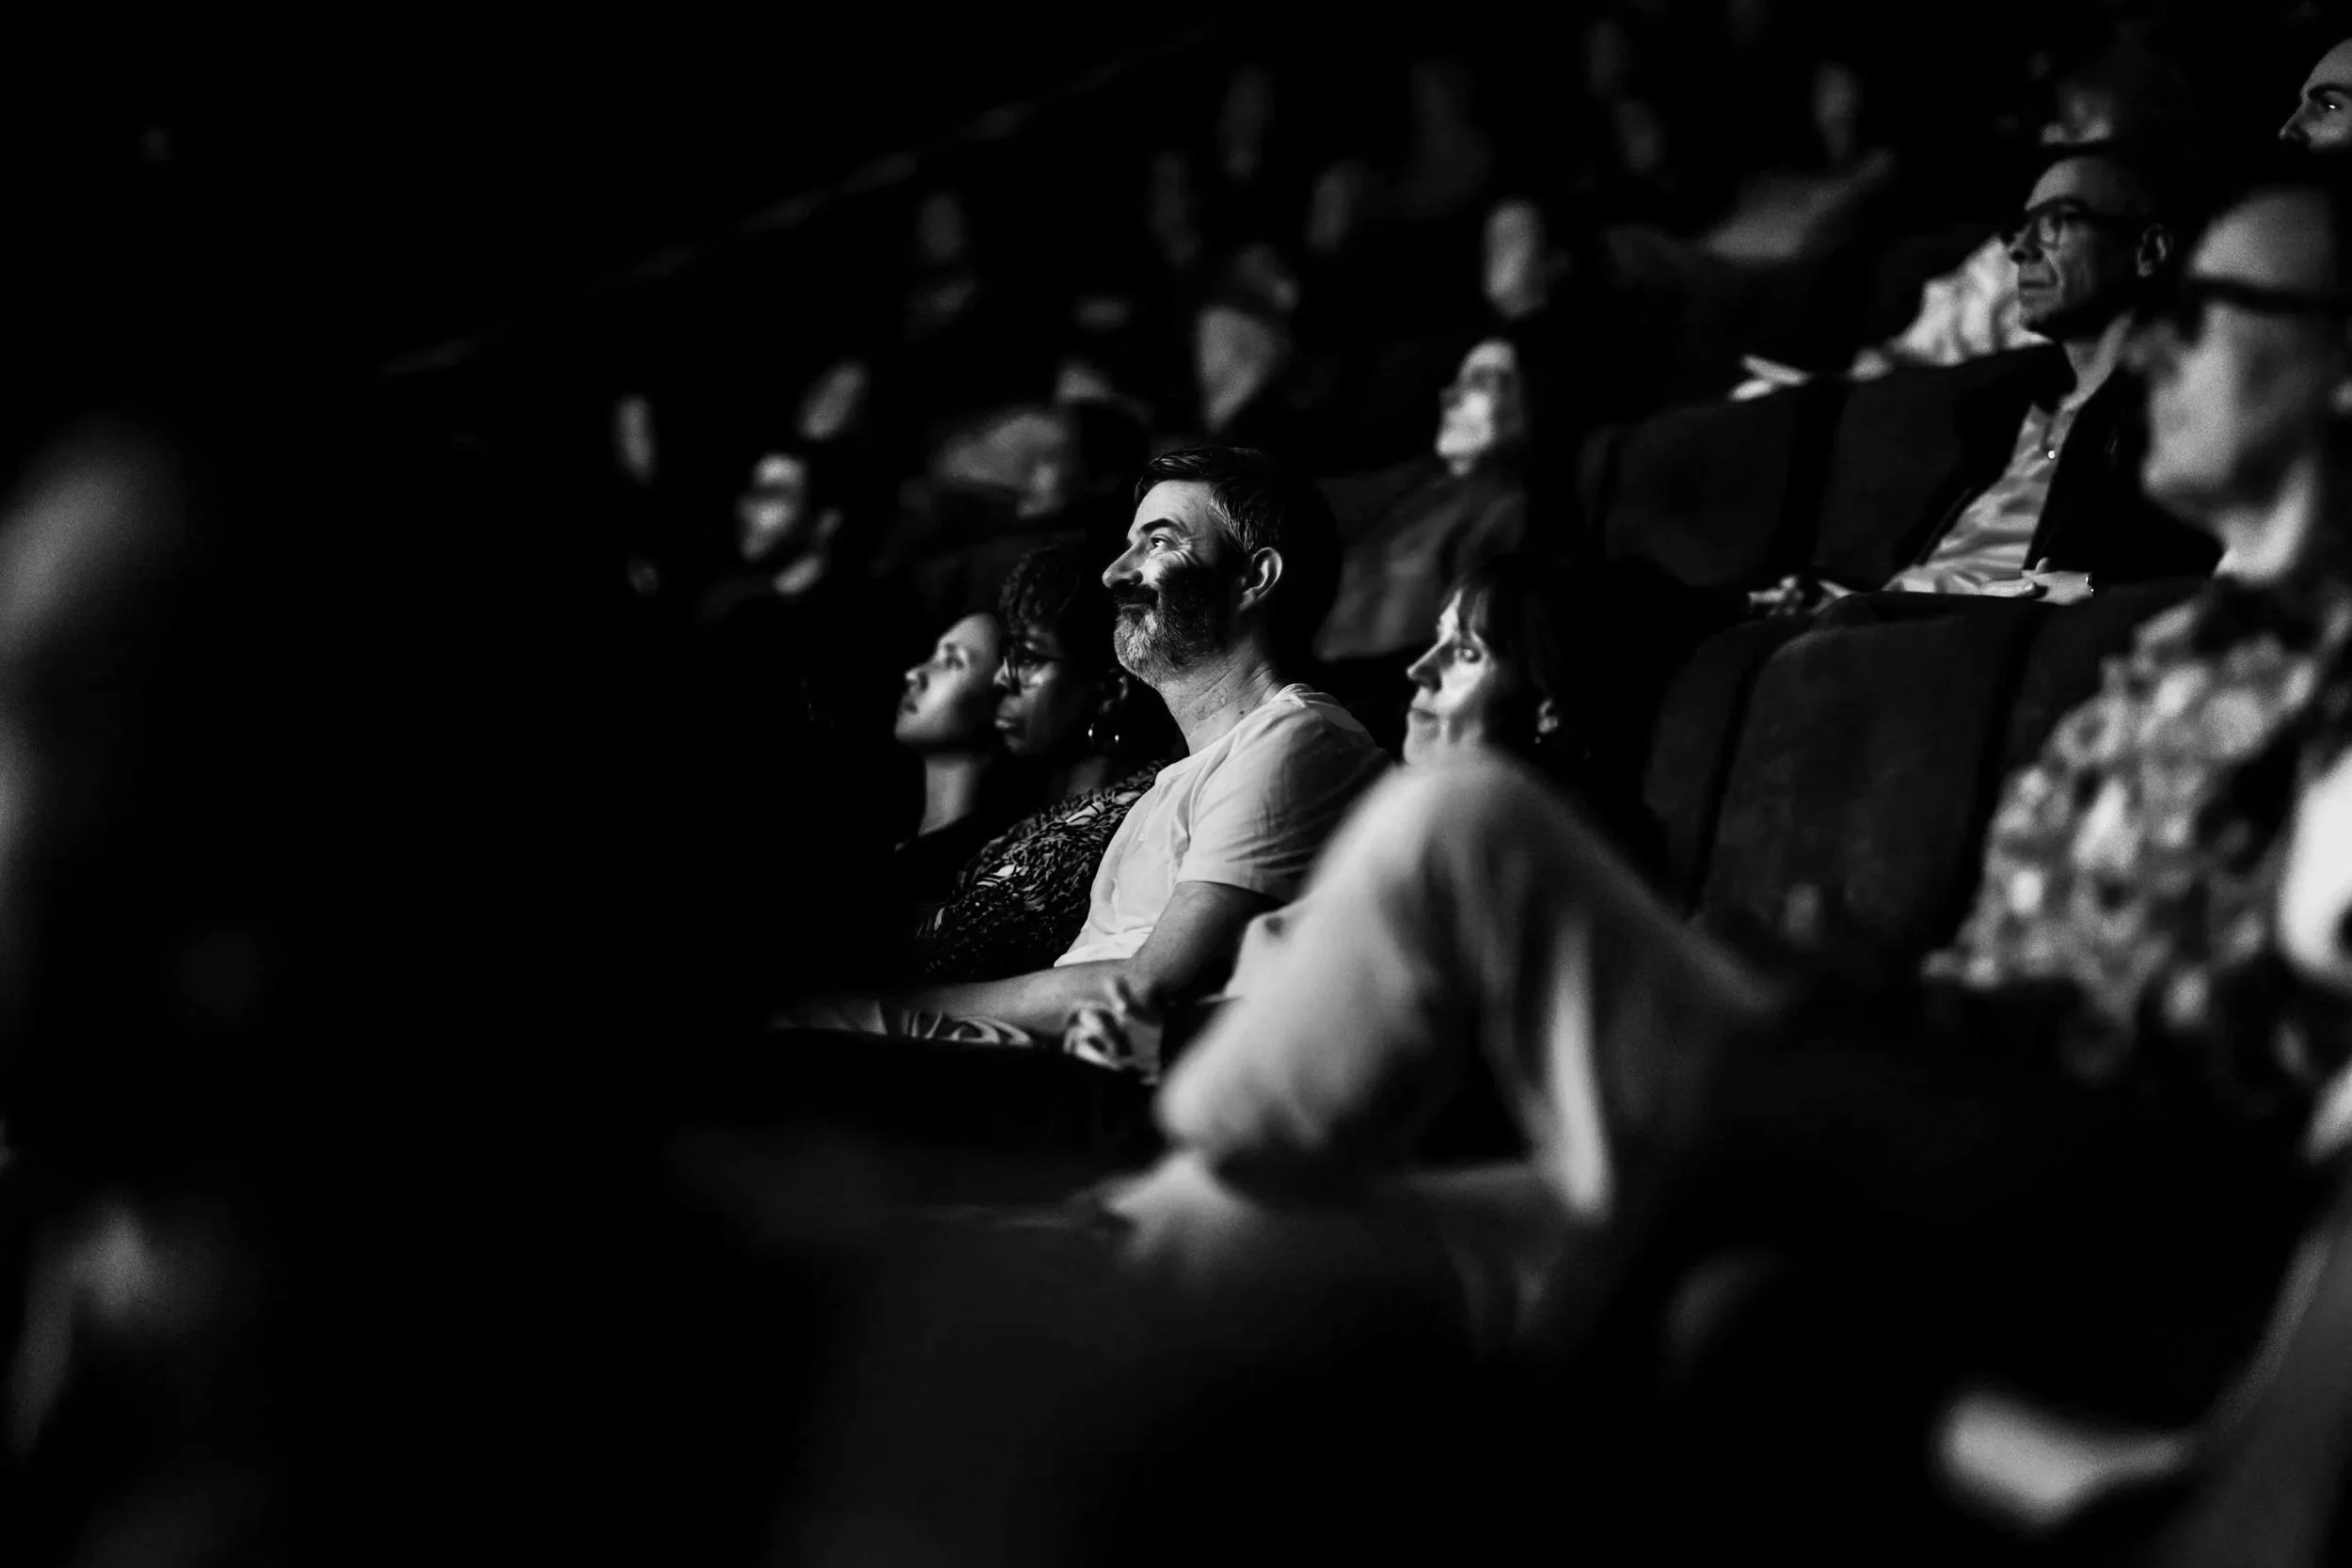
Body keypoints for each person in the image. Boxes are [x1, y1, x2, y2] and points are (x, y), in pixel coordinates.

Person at [1104, 174, 2352, 1405]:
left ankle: (1126, 1195)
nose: (2161, 348)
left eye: (2210, 308)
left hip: (2064, 1179)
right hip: (1918, 1097)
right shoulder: (2182, 649)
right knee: (1224, 1228)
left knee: (1462, 820)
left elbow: (2229, 1090)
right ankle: (1129, 1217)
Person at [776, 445, 1389, 1044]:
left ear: (1254, 577)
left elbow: (1153, 981)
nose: (1114, 572)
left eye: (1158, 540)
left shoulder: (1294, 734)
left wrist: (900, 1008)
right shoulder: (1177, 779)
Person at [1750, 140, 2217, 613]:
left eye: (2056, 222)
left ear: (2148, 250)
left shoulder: (2171, 416)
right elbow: (1944, 581)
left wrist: (2096, 588)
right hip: (1884, 635)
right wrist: (1834, 604)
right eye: (2020, 227)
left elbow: (2201, 576)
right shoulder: (1998, 409)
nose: (2018, 248)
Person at [906, 545, 1176, 983]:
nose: (1000, 678)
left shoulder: (1111, 827)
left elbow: (937, 956)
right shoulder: (1042, 805)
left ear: (1110, 691)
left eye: (1029, 657)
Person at [1313, 339, 1532, 663]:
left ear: (1530, 402)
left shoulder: (1507, 511)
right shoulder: (1422, 487)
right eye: (1456, 382)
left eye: (1480, 382)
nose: (1449, 396)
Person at [884, 608, 1020, 928]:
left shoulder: (977, 867)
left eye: (952, 662)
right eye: (933, 656)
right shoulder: (891, 831)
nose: (915, 674)